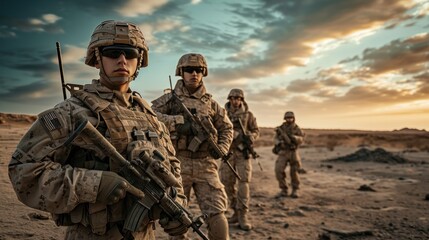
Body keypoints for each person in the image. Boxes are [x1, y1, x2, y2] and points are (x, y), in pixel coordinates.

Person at [8, 20, 188, 240]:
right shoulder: (72, 112)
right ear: (96, 58)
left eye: (130, 53)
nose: (122, 60)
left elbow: (171, 165)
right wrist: (94, 184)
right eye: (112, 53)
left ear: (139, 61)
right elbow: (23, 171)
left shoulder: (149, 116)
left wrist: (176, 201)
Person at [151, 53, 233, 240]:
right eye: (189, 70)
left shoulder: (211, 104)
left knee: (216, 212)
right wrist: (178, 122)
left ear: (203, 73)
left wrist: (222, 147)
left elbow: (227, 127)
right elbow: (150, 116)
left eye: (198, 70)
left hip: (206, 165)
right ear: (181, 72)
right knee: (176, 214)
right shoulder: (169, 100)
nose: (194, 74)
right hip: (177, 163)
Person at [219, 89, 259, 231]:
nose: (235, 100)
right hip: (228, 154)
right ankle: (235, 211)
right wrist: (232, 134)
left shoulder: (248, 115)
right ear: (229, 99)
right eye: (233, 98)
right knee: (226, 183)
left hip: (243, 154)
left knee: (243, 184)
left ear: (242, 100)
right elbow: (216, 129)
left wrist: (250, 137)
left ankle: (243, 215)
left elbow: (256, 131)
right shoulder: (222, 113)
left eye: (238, 98)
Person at [273, 111, 305, 198]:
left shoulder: (297, 129)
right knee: (278, 170)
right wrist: (279, 142)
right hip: (283, 152)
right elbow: (275, 138)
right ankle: (284, 189)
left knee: (294, 172)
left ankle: (295, 190)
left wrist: (294, 138)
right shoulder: (281, 129)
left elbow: (302, 139)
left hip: (293, 152)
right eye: (287, 118)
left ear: (293, 118)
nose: (289, 119)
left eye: (290, 118)